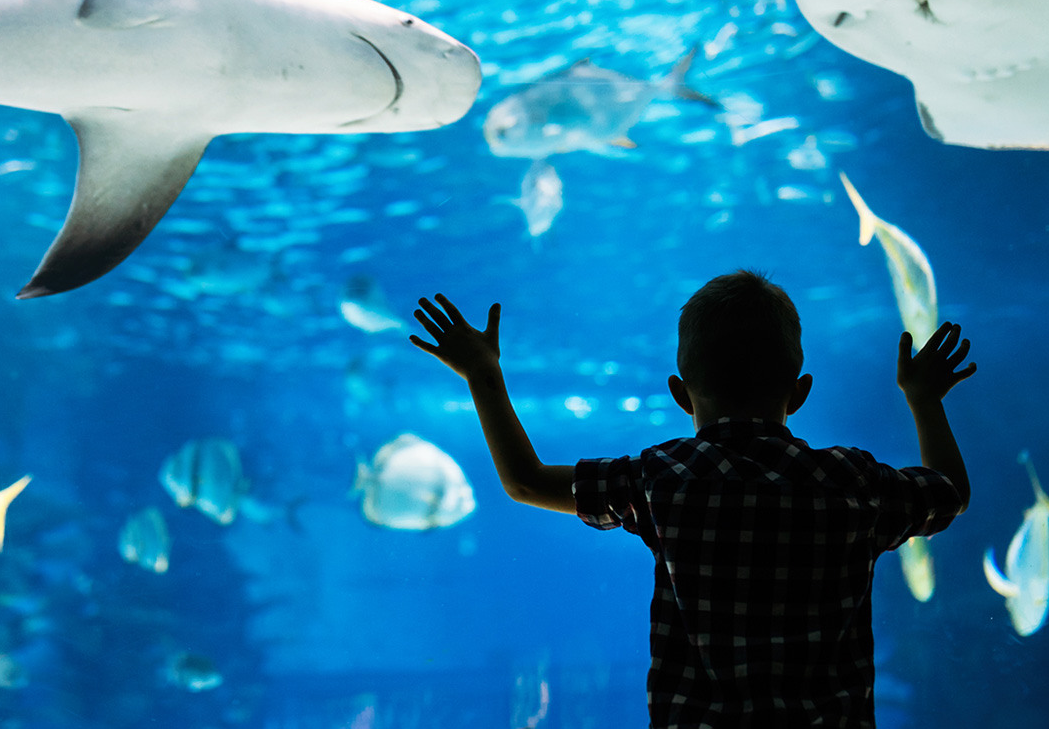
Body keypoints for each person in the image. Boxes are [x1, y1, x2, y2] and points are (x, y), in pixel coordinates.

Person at [410, 271, 972, 729]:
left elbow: (525, 481)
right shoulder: (853, 484)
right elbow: (949, 494)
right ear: (799, 393)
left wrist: (483, 373)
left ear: (680, 394)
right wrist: (925, 399)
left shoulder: (664, 480)